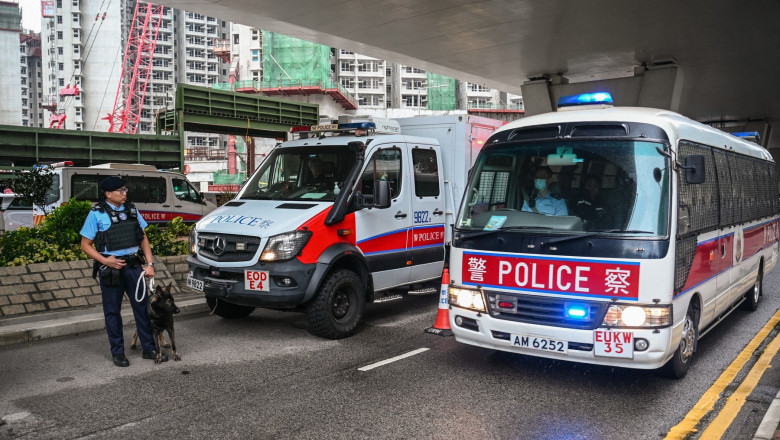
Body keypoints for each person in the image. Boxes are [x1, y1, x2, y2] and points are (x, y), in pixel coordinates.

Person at [80, 176, 166, 367]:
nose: (125, 193)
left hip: (134, 267)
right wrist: (105, 260)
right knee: (112, 312)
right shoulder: (96, 214)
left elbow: (143, 239)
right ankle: (118, 352)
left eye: (125, 189)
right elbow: (85, 245)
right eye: (120, 190)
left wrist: (150, 264)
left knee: (143, 309)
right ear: (108, 194)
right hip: (112, 269)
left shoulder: (132, 211)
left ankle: (149, 348)